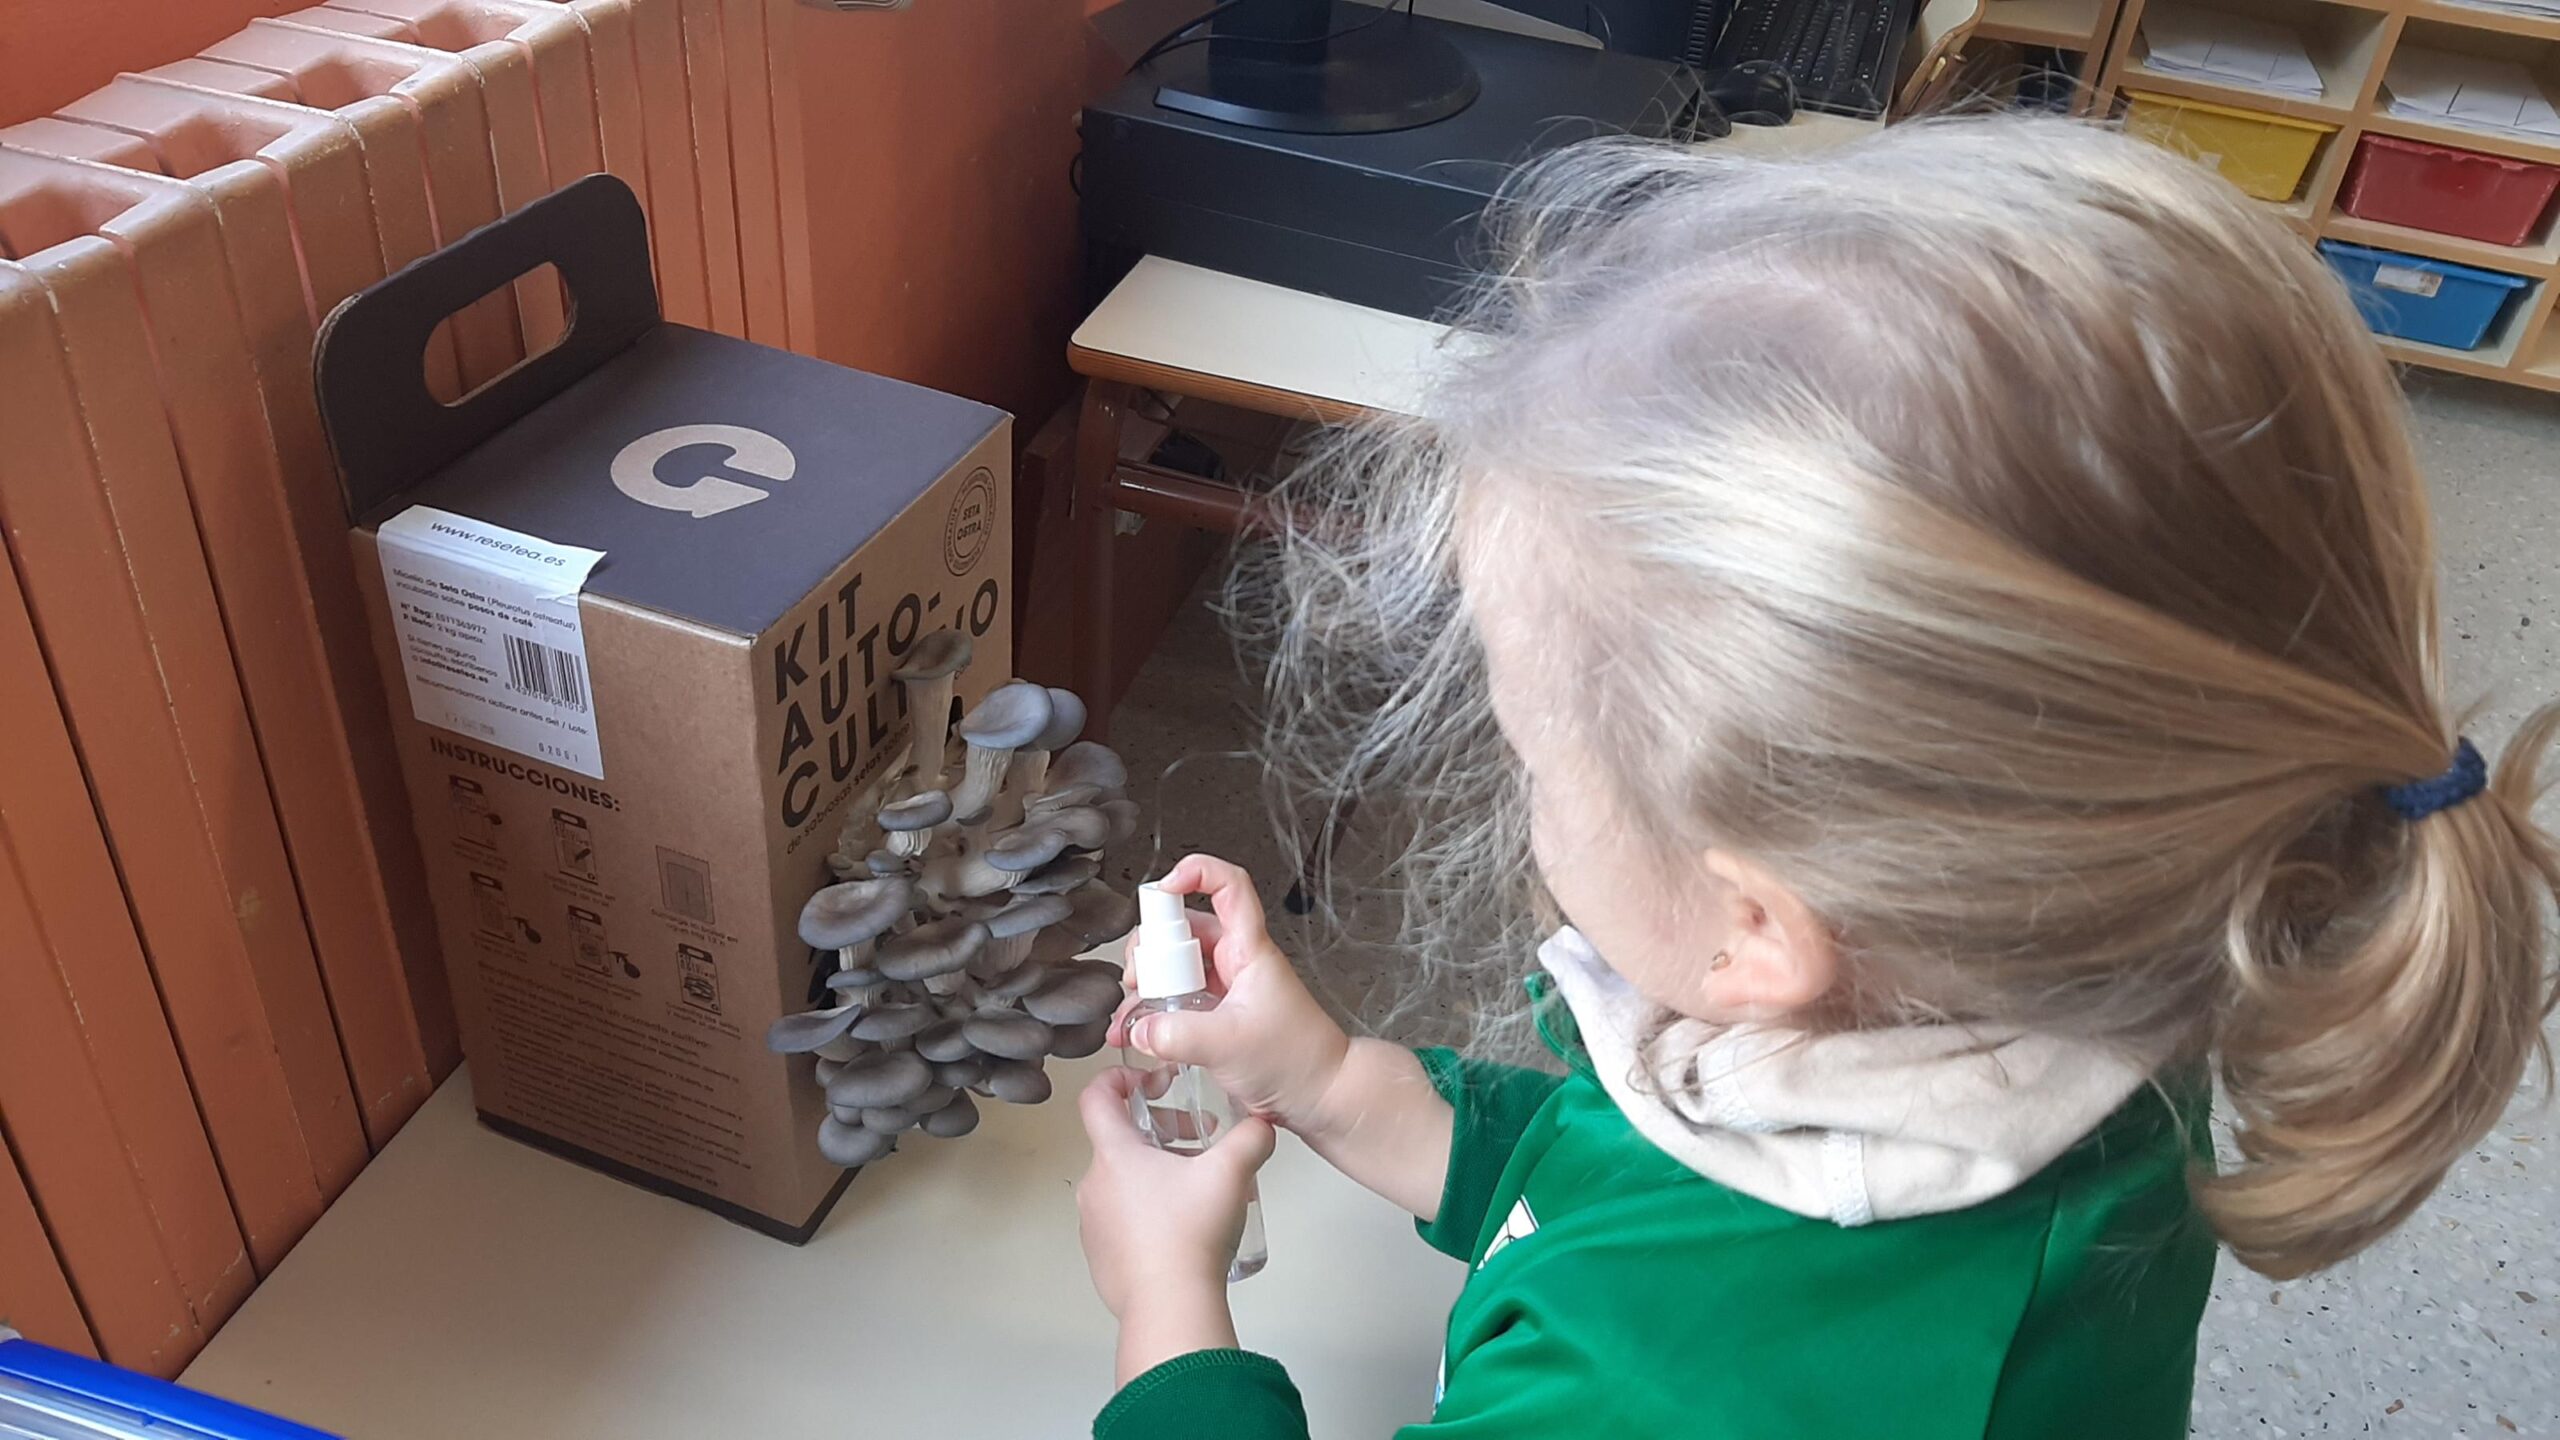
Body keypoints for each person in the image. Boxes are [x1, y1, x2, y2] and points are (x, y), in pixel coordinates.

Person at [1070, 116, 2560, 1439]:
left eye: (1533, 757)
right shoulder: (2078, 970)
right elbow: (1605, 1174)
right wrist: (1331, 1082)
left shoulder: (1670, 1389)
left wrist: (1169, 1312)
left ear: (1756, 928)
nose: (1521, 801)